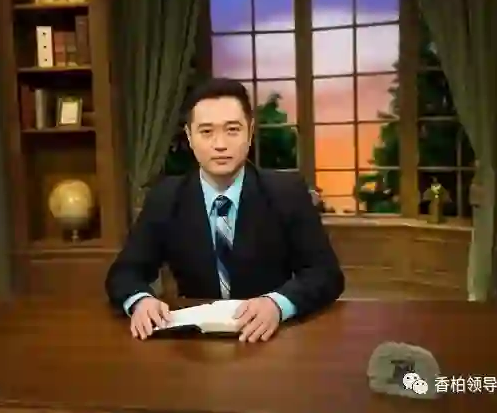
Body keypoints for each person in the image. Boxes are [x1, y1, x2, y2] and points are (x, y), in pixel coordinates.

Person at [106, 78, 344, 342]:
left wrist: (277, 304)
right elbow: (124, 273)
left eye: (232, 130)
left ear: (250, 132)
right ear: (189, 137)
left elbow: (325, 274)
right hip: (194, 343)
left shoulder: (286, 192)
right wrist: (140, 301)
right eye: (206, 132)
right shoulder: (166, 197)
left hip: (269, 337)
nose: (220, 144)